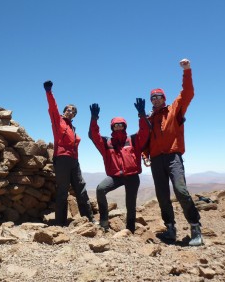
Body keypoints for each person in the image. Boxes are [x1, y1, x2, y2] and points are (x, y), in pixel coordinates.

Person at [144, 58, 203, 246]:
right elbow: (145, 141)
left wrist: (187, 70)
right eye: (153, 97)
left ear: (164, 98)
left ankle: (195, 227)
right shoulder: (149, 118)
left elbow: (188, 93)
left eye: (158, 96)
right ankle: (170, 227)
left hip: (173, 156)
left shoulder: (175, 109)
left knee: (181, 190)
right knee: (162, 195)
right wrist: (145, 155)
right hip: (156, 160)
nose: (156, 99)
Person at [88, 99, 150, 232]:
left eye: (121, 125)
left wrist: (142, 114)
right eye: (115, 125)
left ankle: (130, 229)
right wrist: (94, 119)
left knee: (130, 204)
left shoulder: (133, 140)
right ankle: (104, 221)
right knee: (100, 189)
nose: (118, 127)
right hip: (115, 176)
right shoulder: (106, 143)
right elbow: (94, 135)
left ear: (125, 126)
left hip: (132, 176)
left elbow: (145, 131)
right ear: (112, 127)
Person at [43, 80, 95, 226]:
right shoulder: (57, 121)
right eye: (68, 109)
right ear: (64, 111)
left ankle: (89, 220)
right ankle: (60, 223)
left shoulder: (73, 128)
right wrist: (49, 91)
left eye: (73, 111)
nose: (70, 111)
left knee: (81, 188)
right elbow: (53, 107)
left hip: (74, 161)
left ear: (74, 115)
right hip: (62, 159)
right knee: (62, 191)